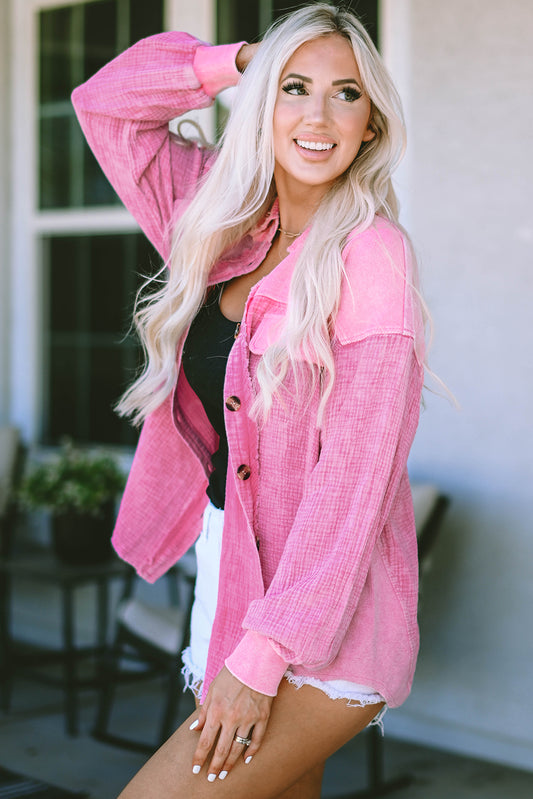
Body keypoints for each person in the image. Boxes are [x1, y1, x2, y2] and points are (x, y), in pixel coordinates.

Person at [72, 3, 426, 797]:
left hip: (322, 618)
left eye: (346, 94)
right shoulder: (223, 225)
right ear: (262, 105)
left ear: (370, 124)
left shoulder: (372, 255)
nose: (317, 115)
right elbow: (104, 103)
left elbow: (352, 490)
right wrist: (241, 60)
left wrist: (261, 658)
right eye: (294, 88)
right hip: (230, 568)